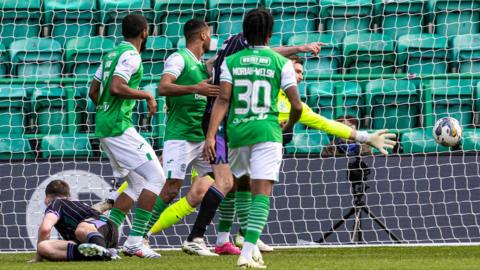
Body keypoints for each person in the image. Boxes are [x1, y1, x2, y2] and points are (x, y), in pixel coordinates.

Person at [204, 8, 303, 268]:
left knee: (243, 186)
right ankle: (247, 253)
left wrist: (211, 136)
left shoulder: (231, 61)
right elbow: (297, 106)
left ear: (245, 32)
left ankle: (246, 247)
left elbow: (222, 99)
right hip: (267, 131)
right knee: (262, 192)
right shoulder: (281, 62)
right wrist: (289, 125)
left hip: (237, 132)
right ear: (270, 35)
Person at [88, 13, 165, 258]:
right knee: (157, 177)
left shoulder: (110, 54)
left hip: (105, 125)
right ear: (145, 31)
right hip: (119, 127)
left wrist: (106, 109)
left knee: (137, 183)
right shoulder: (131, 56)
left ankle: (109, 237)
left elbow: (93, 92)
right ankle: (135, 241)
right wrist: (147, 95)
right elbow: (116, 87)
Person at [153, 18, 220, 256]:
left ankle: (199, 238)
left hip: (202, 137)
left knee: (224, 180)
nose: (212, 39)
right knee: (171, 189)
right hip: (180, 135)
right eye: (210, 34)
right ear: (203, 35)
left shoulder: (203, 65)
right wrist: (195, 89)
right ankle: (139, 236)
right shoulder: (178, 58)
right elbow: (162, 87)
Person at [31, 180, 119, 262]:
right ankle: (100, 254)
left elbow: (45, 229)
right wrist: (41, 251)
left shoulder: (56, 203)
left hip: (101, 225)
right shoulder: (77, 204)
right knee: (43, 247)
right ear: (68, 195)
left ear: (46, 198)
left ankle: (102, 251)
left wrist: (38, 257)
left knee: (81, 230)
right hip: (107, 235)